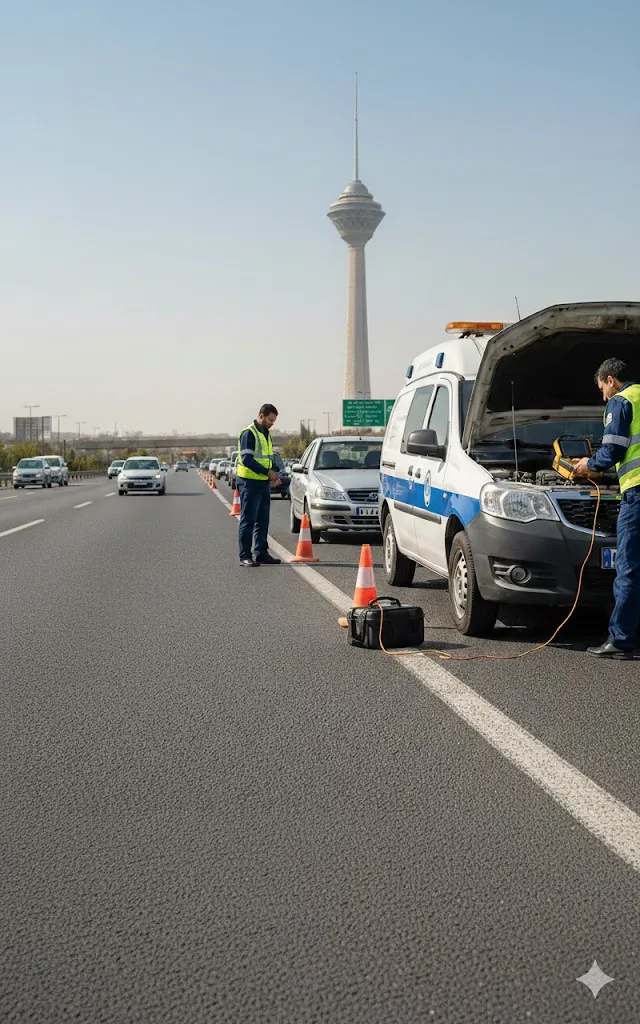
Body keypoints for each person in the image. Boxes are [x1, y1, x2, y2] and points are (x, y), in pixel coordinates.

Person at [572, 358, 640, 659]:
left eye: (602, 389)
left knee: (628, 569)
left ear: (611, 380)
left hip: (637, 494)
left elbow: (613, 449)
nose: (603, 396)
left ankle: (621, 641)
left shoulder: (621, 402)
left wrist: (589, 464)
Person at [236, 404, 282, 568]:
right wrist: (267, 472)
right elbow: (247, 460)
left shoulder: (266, 434)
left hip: (263, 482)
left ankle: (261, 553)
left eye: (274, 421)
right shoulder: (249, 433)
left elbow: (268, 458)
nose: (272, 423)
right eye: (270, 420)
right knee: (248, 520)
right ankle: (245, 556)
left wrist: (274, 473)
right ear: (261, 415)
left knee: (263, 520)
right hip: (249, 482)